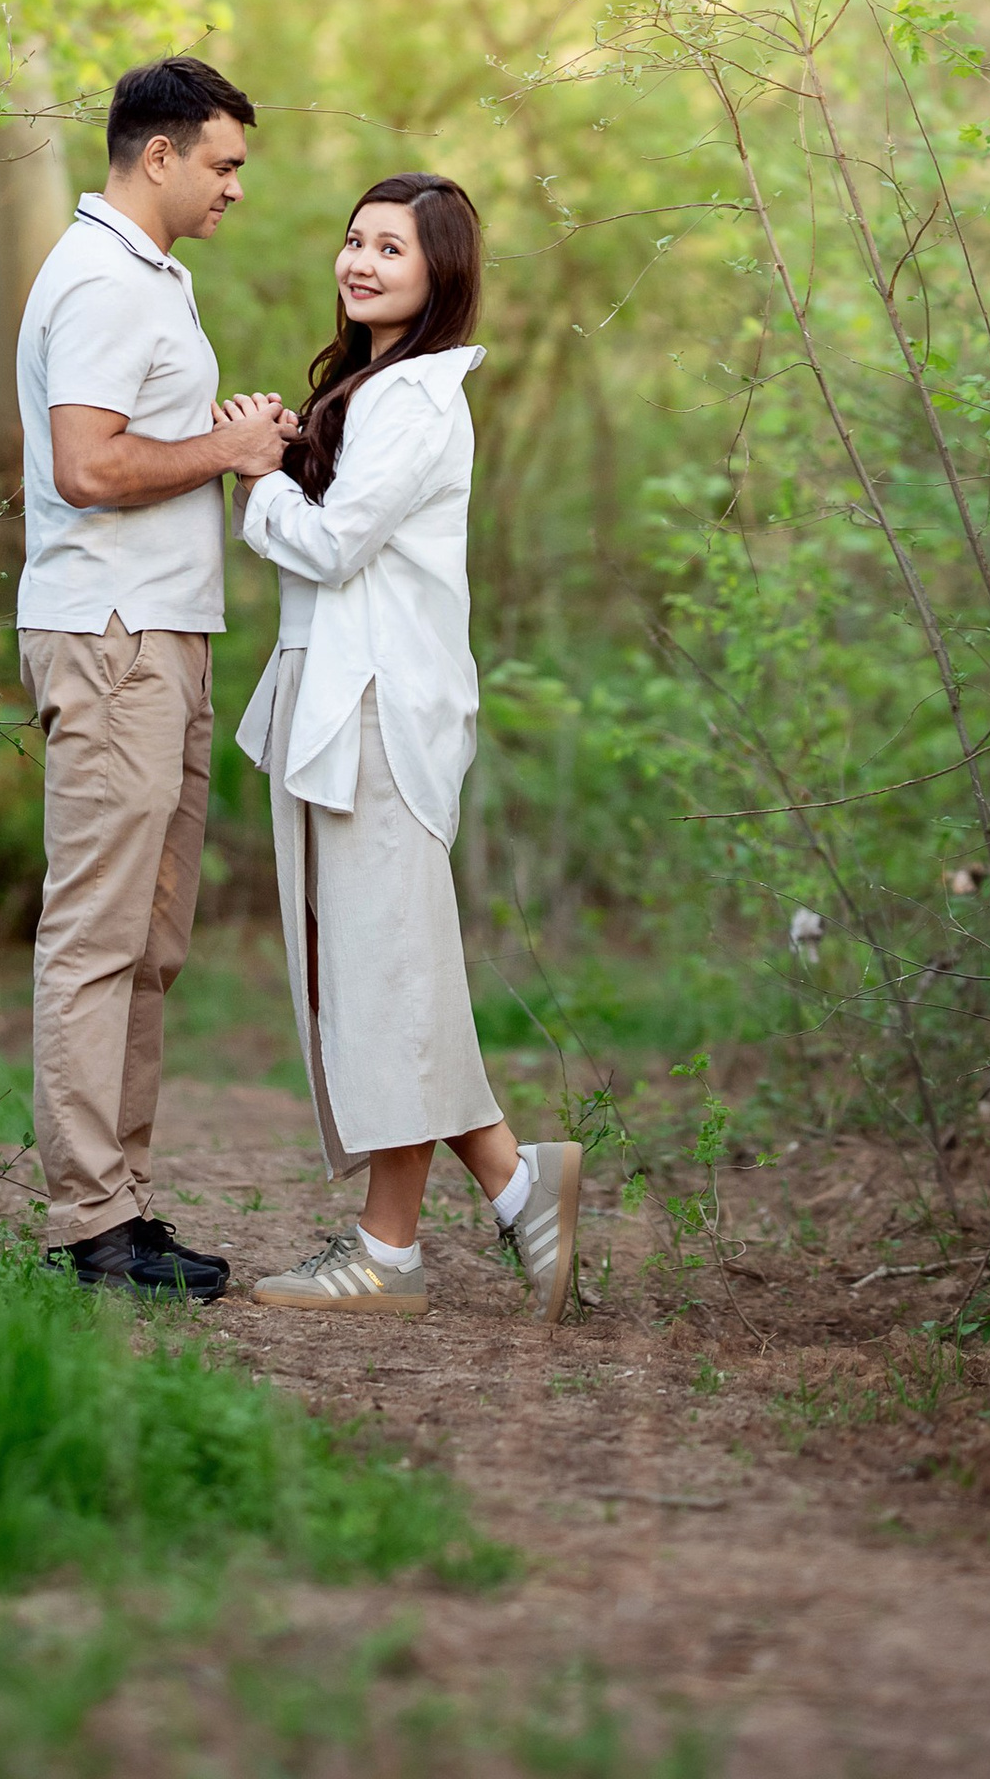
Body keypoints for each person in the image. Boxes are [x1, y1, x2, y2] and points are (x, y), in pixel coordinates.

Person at [234, 172, 582, 1323]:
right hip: (340, 700)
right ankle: (517, 1186)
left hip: (376, 707)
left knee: (388, 971)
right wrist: (284, 450)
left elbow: (333, 546)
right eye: (353, 240)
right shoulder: (372, 391)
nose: (361, 260)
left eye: (391, 247)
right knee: (384, 971)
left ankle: (392, 1252)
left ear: (441, 271)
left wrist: (255, 476)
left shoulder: (419, 398)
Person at [16, 54, 294, 1300]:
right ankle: (91, 1223)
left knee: (148, 942)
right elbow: (86, 467)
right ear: (161, 154)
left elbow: (135, 444)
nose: (236, 187)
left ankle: (120, 1206)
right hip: (112, 637)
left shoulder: (149, 278)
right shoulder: (99, 278)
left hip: (160, 636)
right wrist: (223, 451)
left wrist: (224, 441)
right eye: (224, 164)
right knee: (97, 936)